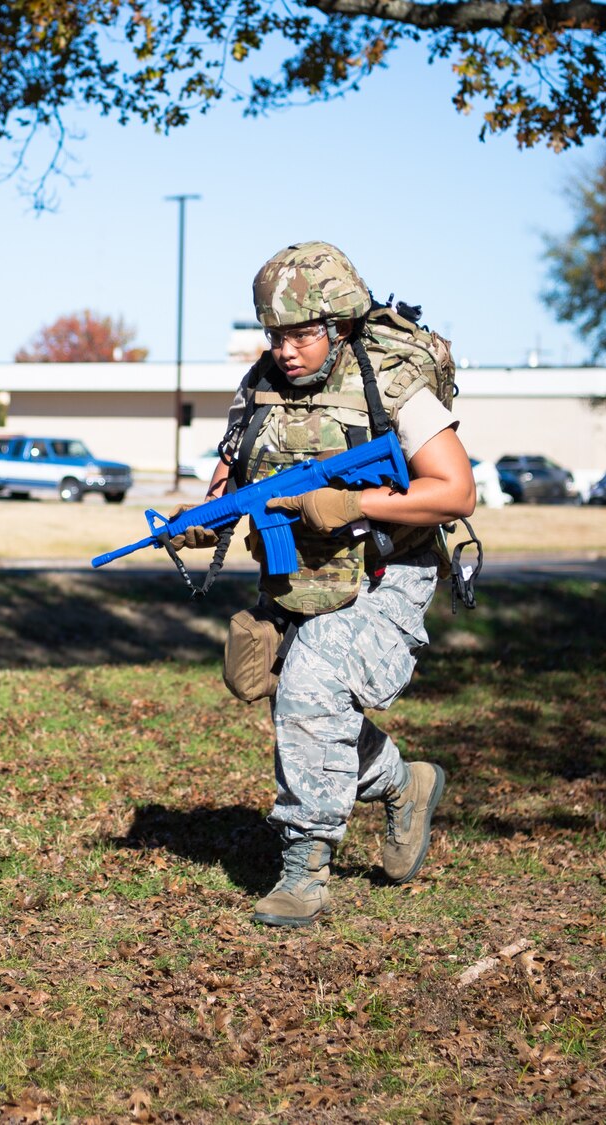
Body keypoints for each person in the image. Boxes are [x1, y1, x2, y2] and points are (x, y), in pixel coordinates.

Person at [177, 241, 477, 928]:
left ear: (339, 323)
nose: (285, 349)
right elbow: (233, 478)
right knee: (302, 709)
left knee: (312, 682)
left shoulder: (394, 382)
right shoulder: (258, 385)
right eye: (274, 334)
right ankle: (406, 783)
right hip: (298, 575)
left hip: (385, 571)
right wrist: (198, 522)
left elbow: (456, 490)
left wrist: (357, 504)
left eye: (301, 334)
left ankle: (303, 870)